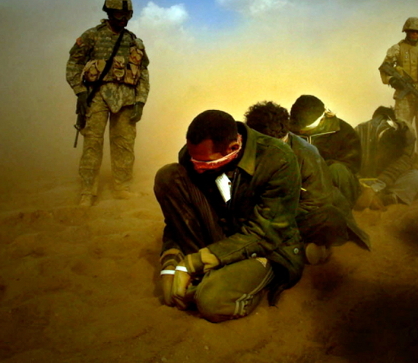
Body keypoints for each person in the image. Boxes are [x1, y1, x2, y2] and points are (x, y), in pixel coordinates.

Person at [153, 110, 304, 322]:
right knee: (168, 175)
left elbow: (265, 234)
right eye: (193, 160)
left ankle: (247, 280)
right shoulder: (194, 157)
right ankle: (213, 273)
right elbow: (177, 218)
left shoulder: (278, 159)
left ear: (233, 148)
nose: (197, 168)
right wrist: (170, 262)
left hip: (268, 248)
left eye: (205, 163)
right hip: (223, 236)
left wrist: (195, 263)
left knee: (211, 301)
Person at [245, 101, 370, 265]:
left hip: (295, 215)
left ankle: (300, 249)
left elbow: (316, 201)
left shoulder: (306, 154)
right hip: (259, 216)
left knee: (331, 218)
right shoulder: (245, 146)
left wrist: (274, 216)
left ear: (283, 138)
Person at [66, 0, 150, 206]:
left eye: (127, 14)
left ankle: (122, 187)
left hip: (127, 99)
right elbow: (74, 64)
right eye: (119, 14)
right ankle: (87, 190)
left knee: (124, 146)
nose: (124, 19)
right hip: (97, 97)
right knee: (92, 144)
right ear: (109, 13)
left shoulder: (134, 41)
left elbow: (143, 73)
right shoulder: (92, 36)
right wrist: (80, 92)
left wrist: (140, 101)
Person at [379, 17, 418, 172]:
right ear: (406, 31)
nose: (414, 33)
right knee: (403, 129)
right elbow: (384, 67)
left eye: (417, 31)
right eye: (411, 31)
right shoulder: (397, 49)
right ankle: (401, 162)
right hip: (404, 95)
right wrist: (393, 80)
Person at [288, 95, 362, 208]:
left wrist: (320, 169)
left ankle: (346, 216)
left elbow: (351, 166)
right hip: (302, 182)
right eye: (297, 126)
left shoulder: (343, 130)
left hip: (332, 181)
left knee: (337, 170)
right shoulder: (287, 130)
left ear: (322, 119)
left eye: (306, 128)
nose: (300, 130)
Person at [355, 106, 418, 210]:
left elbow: (350, 165)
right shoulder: (405, 130)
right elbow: (398, 168)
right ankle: (392, 199)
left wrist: (371, 190)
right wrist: (370, 190)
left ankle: (380, 199)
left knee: (416, 176)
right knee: (417, 176)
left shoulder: (357, 129)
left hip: (366, 185)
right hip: (376, 185)